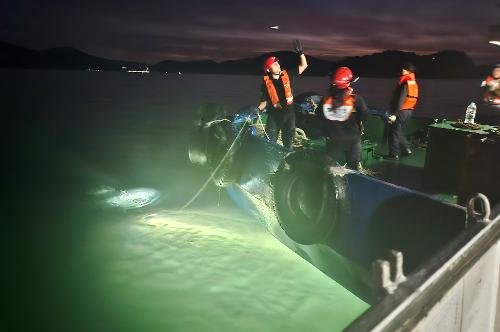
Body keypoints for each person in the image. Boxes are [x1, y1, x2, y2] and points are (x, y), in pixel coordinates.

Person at [256, 40, 308, 150]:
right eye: (275, 64)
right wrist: (257, 110)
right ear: (269, 69)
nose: (278, 65)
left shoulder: (288, 74)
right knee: (269, 145)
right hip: (274, 116)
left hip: (289, 115)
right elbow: (265, 101)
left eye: (277, 63)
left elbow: (304, 66)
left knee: (288, 146)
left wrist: (301, 53)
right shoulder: (266, 83)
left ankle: (286, 163)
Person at [322, 67, 372, 170]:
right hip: (352, 139)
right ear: (348, 83)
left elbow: (319, 114)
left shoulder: (326, 98)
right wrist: (359, 123)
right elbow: (365, 114)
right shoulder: (356, 99)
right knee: (353, 168)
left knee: (330, 167)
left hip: (333, 138)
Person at [386, 62, 419, 161]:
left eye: (404, 69)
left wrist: (395, 114)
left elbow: (401, 99)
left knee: (394, 133)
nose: (402, 71)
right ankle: (406, 149)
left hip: (401, 111)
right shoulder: (413, 82)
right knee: (398, 131)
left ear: (407, 71)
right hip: (409, 111)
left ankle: (394, 154)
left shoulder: (405, 83)